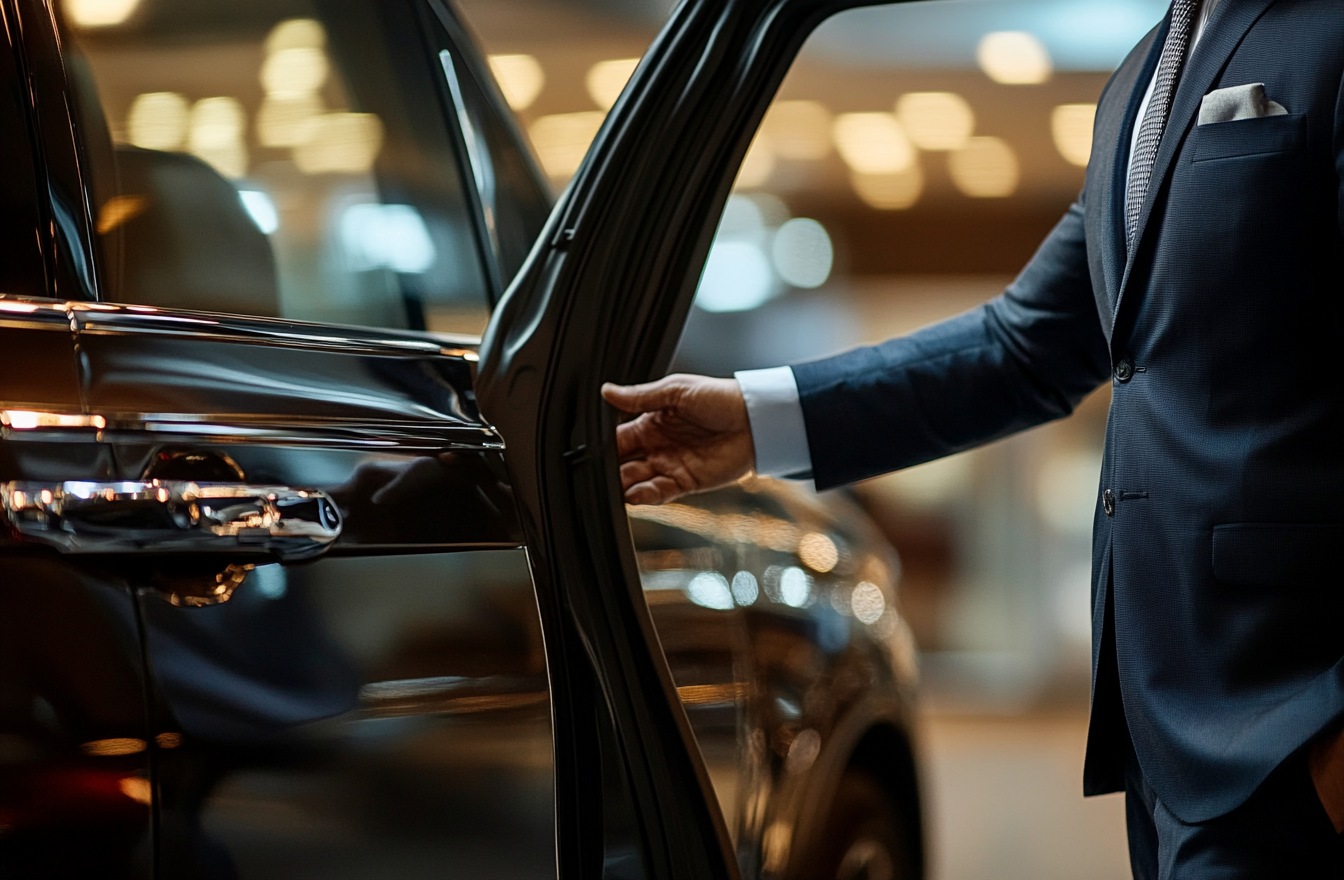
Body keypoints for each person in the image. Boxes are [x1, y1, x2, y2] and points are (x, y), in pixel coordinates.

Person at [602, 0, 1344, 875]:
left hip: (1297, 725)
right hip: (1168, 735)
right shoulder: (1141, 79)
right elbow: (1024, 344)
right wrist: (759, 419)